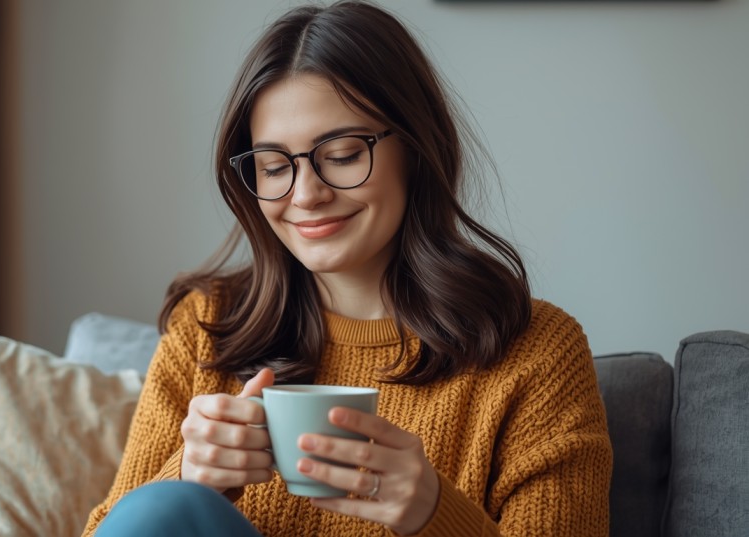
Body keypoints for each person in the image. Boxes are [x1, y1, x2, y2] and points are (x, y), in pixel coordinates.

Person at [82, 1, 611, 536]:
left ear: (416, 148)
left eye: (341, 154)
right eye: (273, 166)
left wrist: (433, 512)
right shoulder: (207, 329)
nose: (306, 194)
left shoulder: (537, 353)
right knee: (165, 508)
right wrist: (188, 479)